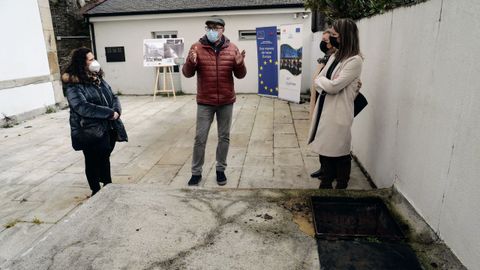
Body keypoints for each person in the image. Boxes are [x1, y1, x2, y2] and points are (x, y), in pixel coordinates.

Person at [182, 17, 247, 186]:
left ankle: (220, 170)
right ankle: (196, 173)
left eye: (216, 27)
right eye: (209, 27)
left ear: (223, 29)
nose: (212, 30)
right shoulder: (196, 47)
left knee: (224, 137)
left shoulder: (232, 48)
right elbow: (187, 73)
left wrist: (240, 64)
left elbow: (240, 75)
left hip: (226, 100)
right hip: (205, 101)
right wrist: (190, 61)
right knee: (200, 138)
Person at [62, 47, 128, 196]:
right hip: (89, 129)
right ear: (82, 63)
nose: (94, 62)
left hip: (108, 126)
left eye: (94, 58)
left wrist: (116, 111)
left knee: (105, 157)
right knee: (92, 160)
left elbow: (113, 96)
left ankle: (108, 185)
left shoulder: (97, 79)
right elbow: (81, 106)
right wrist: (108, 113)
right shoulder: (74, 85)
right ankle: (96, 190)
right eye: (90, 59)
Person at [307, 19, 363, 189]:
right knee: (325, 151)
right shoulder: (335, 56)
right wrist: (325, 81)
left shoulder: (354, 61)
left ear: (345, 37)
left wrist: (323, 82)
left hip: (338, 113)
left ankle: (341, 186)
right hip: (324, 110)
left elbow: (332, 86)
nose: (331, 38)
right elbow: (319, 79)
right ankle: (325, 182)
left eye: (334, 35)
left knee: (339, 152)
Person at [309, 30, 337, 180]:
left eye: (326, 41)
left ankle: (331, 171)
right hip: (321, 96)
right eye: (323, 40)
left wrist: (319, 79)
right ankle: (323, 167)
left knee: (328, 138)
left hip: (330, 100)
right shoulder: (327, 57)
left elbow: (332, 83)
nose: (324, 43)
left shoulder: (337, 58)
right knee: (320, 135)